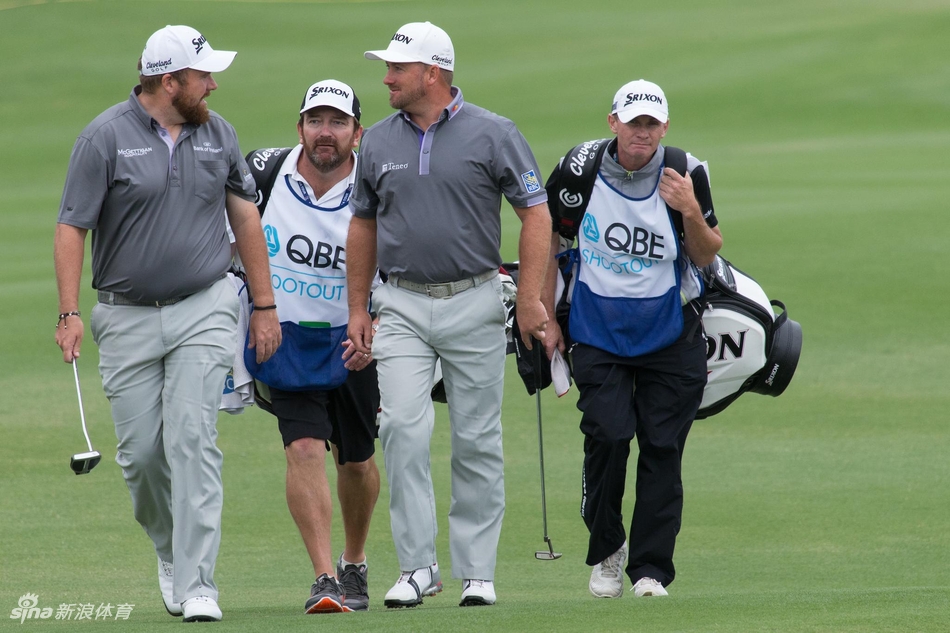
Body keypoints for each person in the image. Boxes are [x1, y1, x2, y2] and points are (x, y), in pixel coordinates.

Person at [53, 25, 281, 623]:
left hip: (203, 307)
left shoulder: (219, 133)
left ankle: (199, 582)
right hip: (125, 316)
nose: (213, 85)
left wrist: (263, 305)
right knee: (142, 457)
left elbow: (246, 218)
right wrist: (69, 312)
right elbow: (72, 226)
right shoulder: (104, 137)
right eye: (203, 76)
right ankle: (170, 550)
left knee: (192, 440)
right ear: (169, 81)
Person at [346, 21, 552, 608]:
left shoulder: (494, 133)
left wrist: (530, 298)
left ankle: (477, 571)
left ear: (432, 73)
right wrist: (357, 306)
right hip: (401, 303)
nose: (387, 78)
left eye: (397, 69)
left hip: (475, 298)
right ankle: (418, 567)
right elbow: (362, 223)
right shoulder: (377, 141)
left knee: (477, 438)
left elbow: (535, 214)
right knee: (400, 429)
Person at [543, 79, 723, 599]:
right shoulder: (578, 168)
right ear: (613, 123)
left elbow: (707, 252)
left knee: (662, 449)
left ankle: (650, 570)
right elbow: (548, 233)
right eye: (632, 122)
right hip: (596, 330)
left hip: (672, 332)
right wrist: (544, 311)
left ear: (663, 127)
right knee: (608, 435)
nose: (641, 132)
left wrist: (689, 208)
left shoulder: (687, 171)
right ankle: (607, 550)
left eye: (651, 124)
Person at [243, 80, 380, 614]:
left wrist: (374, 321)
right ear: (299, 127)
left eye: (338, 122)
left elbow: (396, 260)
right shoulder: (264, 173)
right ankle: (324, 577)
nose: (326, 132)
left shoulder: (376, 181)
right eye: (316, 120)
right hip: (286, 337)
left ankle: (354, 560)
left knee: (356, 462)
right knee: (302, 449)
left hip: (354, 339)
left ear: (357, 132)